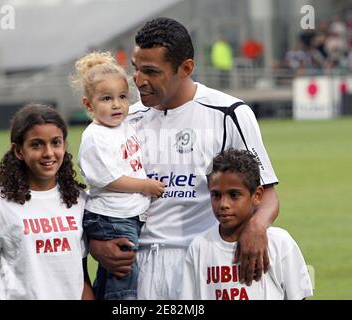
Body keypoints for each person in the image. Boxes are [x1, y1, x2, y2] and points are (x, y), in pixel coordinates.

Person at [89, 17, 279, 300]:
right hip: (134, 267)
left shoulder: (229, 113)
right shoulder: (124, 121)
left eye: (151, 71)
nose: (139, 80)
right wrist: (96, 245)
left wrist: (257, 225)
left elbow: (267, 193)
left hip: (202, 261)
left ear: (186, 68)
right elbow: (100, 193)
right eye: (136, 69)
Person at [0, 103, 94, 300]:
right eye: (36, 144)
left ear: (64, 145)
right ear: (18, 151)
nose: (48, 153)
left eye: (56, 142)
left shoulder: (79, 199)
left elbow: (82, 275)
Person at [72, 51, 165, 300]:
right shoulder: (95, 137)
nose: (116, 105)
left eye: (122, 97)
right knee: (124, 281)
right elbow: (110, 179)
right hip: (111, 217)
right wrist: (145, 186)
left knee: (111, 279)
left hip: (125, 215)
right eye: (106, 99)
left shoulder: (124, 126)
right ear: (88, 105)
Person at [180, 149, 313, 300]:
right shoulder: (199, 247)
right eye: (216, 195)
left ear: (257, 196)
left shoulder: (280, 243)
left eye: (234, 195)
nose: (223, 204)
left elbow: (298, 296)